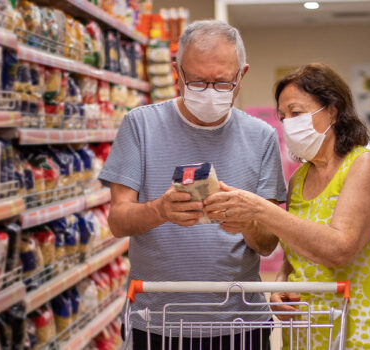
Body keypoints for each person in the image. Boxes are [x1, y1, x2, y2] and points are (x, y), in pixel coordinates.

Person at [99, 20, 287, 349]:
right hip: (158, 321)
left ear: (242, 75)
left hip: (240, 322)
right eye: (198, 81)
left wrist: (247, 224)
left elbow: (268, 244)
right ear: (177, 71)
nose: (210, 91)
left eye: (222, 82)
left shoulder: (262, 137)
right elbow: (117, 221)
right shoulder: (140, 125)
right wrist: (159, 210)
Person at [204, 63, 370, 349]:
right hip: (305, 326)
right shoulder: (299, 178)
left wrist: (260, 209)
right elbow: (295, 253)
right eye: (283, 117)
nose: (288, 123)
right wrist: (282, 284)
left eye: (297, 112)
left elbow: (339, 249)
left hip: (355, 324)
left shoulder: (364, 166)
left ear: (332, 110)